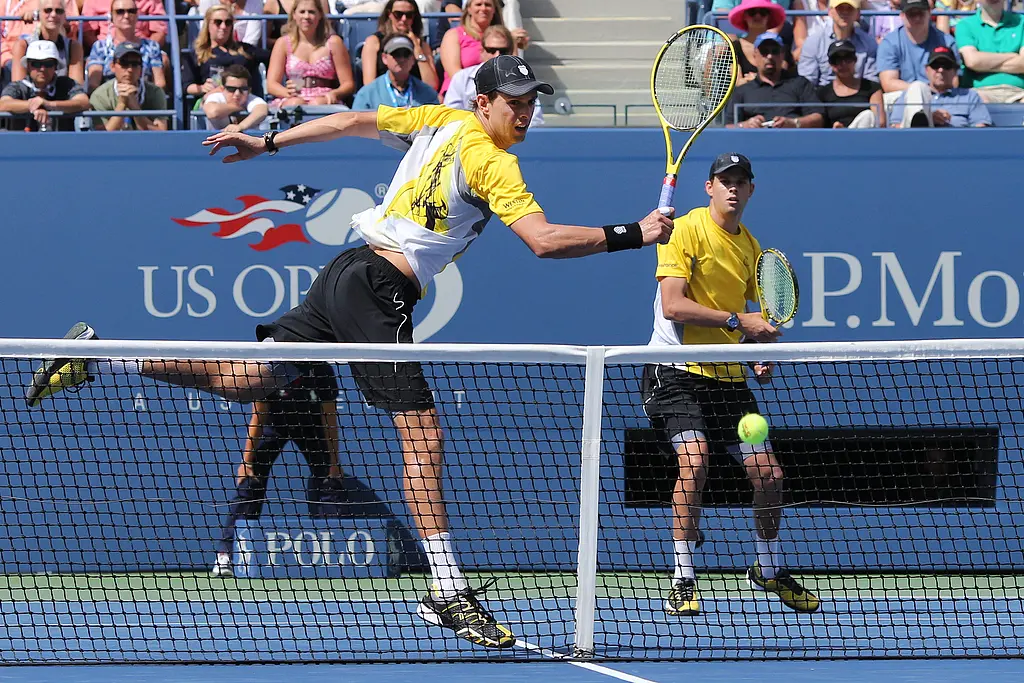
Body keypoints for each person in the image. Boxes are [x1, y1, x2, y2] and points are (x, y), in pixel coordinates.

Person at [29, 54, 673, 649]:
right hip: (378, 287)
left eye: (531, 100)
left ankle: (103, 358)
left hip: (345, 270)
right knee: (422, 434)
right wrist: (633, 234)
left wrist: (268, 142)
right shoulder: (492, 160)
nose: (525, 111)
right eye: (513, 101)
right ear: (483, 102)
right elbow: (544, 240)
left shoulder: (440, 119)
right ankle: (449, 590)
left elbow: (353, 120)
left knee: (245, 380)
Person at [641, 152, 820, 618]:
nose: (733, 189)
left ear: (751, 190)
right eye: (725, 181)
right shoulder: (684, 230)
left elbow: (754, 316)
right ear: (709, 187)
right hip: (673, 373)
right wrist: (742, 324)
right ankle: (682, 576)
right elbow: (674, 306)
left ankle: (769, 568)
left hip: (727, 381)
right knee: (694, 460)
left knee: (770, 475)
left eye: (741, 181)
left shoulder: (752, 248)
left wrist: (759, 352)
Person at [211, 362, 393, 577]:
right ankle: (227, 553)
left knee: (329, 480)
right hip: (274, 425)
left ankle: (335, 552)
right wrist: (247, 461)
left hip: (311, 426)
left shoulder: (322, 371)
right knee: (250, 483)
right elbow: (259, 416)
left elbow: (329, 418)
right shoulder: (271, 368)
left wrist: (334, 463)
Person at [443, 25, 542, 126]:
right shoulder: (461, 78)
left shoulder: (523, 80)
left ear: (511, 51)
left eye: (503, 51)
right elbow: (451, 117)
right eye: (491, 50)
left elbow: (535, 122)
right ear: (482, 51)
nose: (497, 55)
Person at [266, 0, 355, 107]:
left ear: (320, 15)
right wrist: (287, 92)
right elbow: (271, 85)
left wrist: (335, 94)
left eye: (312, 12)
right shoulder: (283, 43)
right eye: (302, 12)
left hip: (324, 97)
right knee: (295, 104)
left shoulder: (333, 42)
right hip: (294, 96)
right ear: (294, 15)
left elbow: (348, 84)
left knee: (317, 104)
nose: (306, 16)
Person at [726, 33, 825, 127]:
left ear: (782, 55)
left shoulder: (800, 84)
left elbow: (818, 118)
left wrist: (793, 123)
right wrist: (746, 125)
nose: (770, 56)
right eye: (764, 52)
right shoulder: (742, 91)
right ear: (755, 55)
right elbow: (727, 126)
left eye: (775, 51)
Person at [877, 0, 958, 105]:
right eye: (912, 14)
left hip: (941, 97)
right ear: (902, 15)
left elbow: (954, 81)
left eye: (920, 12)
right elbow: (888, 83)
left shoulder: (947, 42)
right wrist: (921, 91)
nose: (917, 18)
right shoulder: (890, 42)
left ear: (929, 12)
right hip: (903, 98)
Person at [889, 45, 992, 126]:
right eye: (935, 65)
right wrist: (930, 118)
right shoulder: (910, 95)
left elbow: (981, 128)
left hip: (957, 146)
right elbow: (895, 128)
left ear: (955, 71)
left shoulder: (970, 96)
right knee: (916, 86)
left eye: (946, 66)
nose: (941, 70)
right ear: (927, 69)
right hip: (915, 144)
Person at [0, 39, 88, 130]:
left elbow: (84, 102)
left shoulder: (67, 84)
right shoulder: (18, 86)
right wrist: (34, 106)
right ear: (28, 66)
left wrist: (50, 104)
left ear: (56, 66)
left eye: (48, 63)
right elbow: (3, 104)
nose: (42, 69)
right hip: (21, 142)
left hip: (61, 142)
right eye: (36, 64)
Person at [183, 4, 265, 100]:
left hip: (243, 99)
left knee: (260, 107)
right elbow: (186, 85)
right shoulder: (198, 53)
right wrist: (202, 88)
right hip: (214, 100)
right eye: (218, 22)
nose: (223, 26)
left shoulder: (245, 49)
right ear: (208, 24)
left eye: (228, 22)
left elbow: (272, 57)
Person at [85, 0, 167, 93]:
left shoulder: (151, 47)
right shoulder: (100, 47)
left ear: (137, 15)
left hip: (143, 99)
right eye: (120, 11)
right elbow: (93, 84)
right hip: (110, 101)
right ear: (111, 17)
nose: (126, 16)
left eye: (131, 11)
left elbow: (159, 84)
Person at [360, 0, 440, 92]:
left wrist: (417, 50)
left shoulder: (422, 45)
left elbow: (432, 86)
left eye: (409, 15)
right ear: (389, 14)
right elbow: (369, 85)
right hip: (384, 97)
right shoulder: (374, 42)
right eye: (398, 14)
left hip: (417, 98)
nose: (404, 19)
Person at [87, 40, 168, 130]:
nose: (130, 69)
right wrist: (121, 104)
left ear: (141, 69)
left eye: (135, 64)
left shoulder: (155, 93)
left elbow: (161, 135)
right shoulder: (100, 95)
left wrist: (135, 107)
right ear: (112, 67)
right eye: (124, 63)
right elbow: (101, 138)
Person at [0, 0, 81, 90]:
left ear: (64, 16)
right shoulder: (22, 46)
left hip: (61, 99)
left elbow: (77, 90)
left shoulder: (73, 47)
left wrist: (50, 104)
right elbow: (18, 90)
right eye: (48, 10)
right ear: (38, 14)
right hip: (29, 101)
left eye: (59, 11)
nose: (53, 15)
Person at [955, 0, 1024, 104]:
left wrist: (983, 64)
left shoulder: (1021, 22)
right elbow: (973, 61)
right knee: (977, 102)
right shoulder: (965, 25)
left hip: (1020, 92)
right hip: (981, 92)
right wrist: (1013, 56)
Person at [798, 0, 878, 86]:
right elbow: (807, 83)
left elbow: (871, 82)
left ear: (858, 13)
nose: (845, 12)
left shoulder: (869, 42)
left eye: (850, 8)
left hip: (858, 96)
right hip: (821, 96)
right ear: (830, 11)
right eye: (840, 8)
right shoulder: (813, 42)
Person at [353, 33, 438, 109]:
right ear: (384, 58)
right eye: (396, 54)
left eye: (406, 54)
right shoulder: (367, 94)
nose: (401, 59)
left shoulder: (427, 93)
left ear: (413, 59)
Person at [438, 0, 502, 96]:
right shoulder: (453, 35)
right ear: (469, 9)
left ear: (494, 10)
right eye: (478, 4)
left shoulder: (503, 38)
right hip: (460, 94)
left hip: (496, 94)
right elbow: (455, 75)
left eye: (488, 5)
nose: (483, 8)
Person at [817, 39, 885, 127]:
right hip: (835, 138)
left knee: (868, 116)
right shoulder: (822, 93)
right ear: (830, 64)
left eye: (848, 58)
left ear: (855, 60)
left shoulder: (872, 88)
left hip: (865, 137)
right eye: (837, 60)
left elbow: (880, 122)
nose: (843, 64)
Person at [727, 0, 790, 85]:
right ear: (744, 16)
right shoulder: (734, 47)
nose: (758, 15)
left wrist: (754, 78)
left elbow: (781, 78)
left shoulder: (779, 45)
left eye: (763, 12)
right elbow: (738, 83)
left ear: (769, 16)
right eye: (752, 12)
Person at [202, 63, 268, 129]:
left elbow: (262, 111)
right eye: (231, 89)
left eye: (243, 89)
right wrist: (237, 107)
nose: (237, 93)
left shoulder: (251, 98)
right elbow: (212, 112)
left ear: (249, 90)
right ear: (222, 89)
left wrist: (240, 127)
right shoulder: (216, 97)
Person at [80, 0, 166, 50]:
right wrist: (102, 50)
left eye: (132, 11)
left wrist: (146, 50)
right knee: (91, 63)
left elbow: (159, 32)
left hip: (142, 48)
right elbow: (87, 33)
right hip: (106, 49)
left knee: (163, 59)